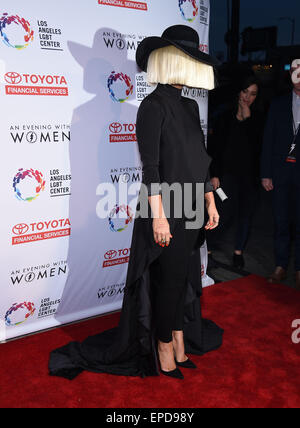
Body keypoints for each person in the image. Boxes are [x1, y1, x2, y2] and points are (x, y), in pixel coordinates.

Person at [49, 25, 224, 381]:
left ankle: (177, 338)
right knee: (168, 280)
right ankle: (162, 346)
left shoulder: (190, 106)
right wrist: (158, 218)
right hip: (164, 206)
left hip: (192, 205)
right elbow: (152, 168)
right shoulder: (152, 105)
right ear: (170, 60)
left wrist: (210, 202)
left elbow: (200, 160)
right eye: (185, 57)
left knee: (182, 279)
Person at [207, 75, 264, 268]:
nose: (248, 97)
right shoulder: (224, 117)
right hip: (226, 179)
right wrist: (214, 174)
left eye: (253, 94)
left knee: (245, 215)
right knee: (224, 211)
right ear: (239, 92)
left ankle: (238, 252)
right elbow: (214, 149)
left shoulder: (258, 120)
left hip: (249, 179)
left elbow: (258, 149)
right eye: (245, 92)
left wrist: (248, 119)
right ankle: (208, 249)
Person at [261, 59, 300, 290]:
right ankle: (280, 265)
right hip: (280, 173)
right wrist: (266, 174)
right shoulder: (278, 104)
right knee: (280, 222)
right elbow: (268, 140)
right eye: (294, 70)